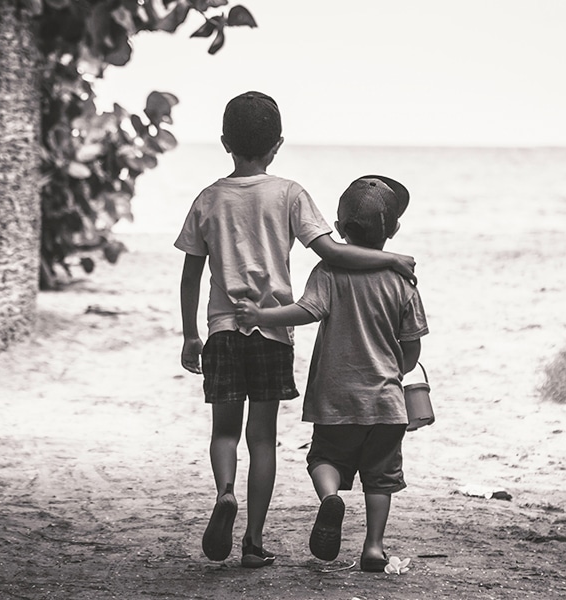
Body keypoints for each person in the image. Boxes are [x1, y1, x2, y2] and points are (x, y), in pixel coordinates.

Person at [176, 92, 416, 567]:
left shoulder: (207, 198)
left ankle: (225, 493)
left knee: (225, 432)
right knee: (262, 437)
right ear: (277, 144)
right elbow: (334, 253)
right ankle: (253, 542)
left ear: (225, 141)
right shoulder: (289, 193)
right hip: (270, 336)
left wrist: (190, 334)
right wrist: (391, 257)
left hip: (224, 330)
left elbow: (190, 275)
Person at [234, 175, 428, 572]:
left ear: (338, 230)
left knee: (323, 458)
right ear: (393, 231)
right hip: (386, 403)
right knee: (380, 478)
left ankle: (330, 499)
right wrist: (402, 368)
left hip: (334, 398)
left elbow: (306, 311)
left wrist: (262, 315)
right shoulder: (401, 280)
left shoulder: (329, 270)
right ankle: (373, 547)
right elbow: (412, 344)